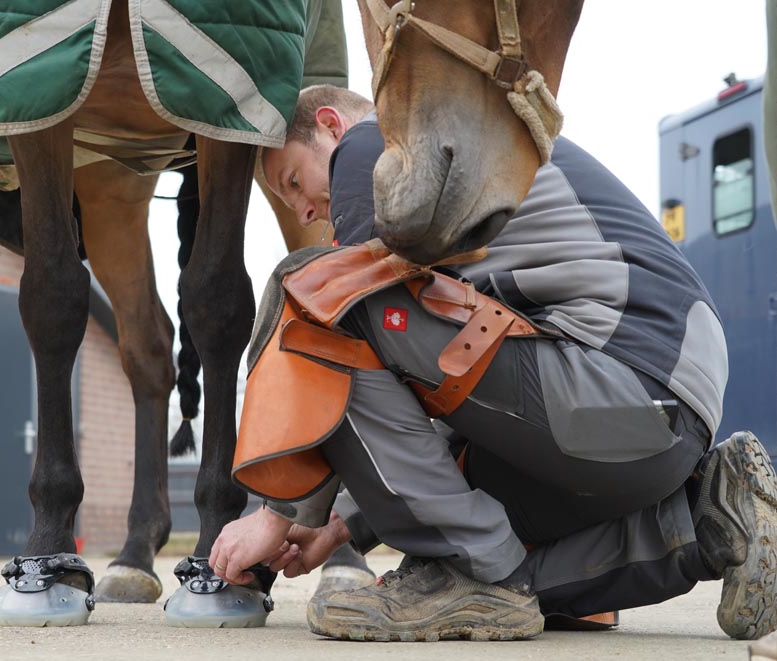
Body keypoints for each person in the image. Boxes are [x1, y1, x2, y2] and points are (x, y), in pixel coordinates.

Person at [210, 85, 777, 643]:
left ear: (331, 126)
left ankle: (467, 569)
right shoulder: (456, 168)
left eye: (292, 182)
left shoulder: (378, 141)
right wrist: (336, 525)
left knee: (310, 287)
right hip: (660, 421)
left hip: (616, 373)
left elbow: (346, 309)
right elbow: (437, 389)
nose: (306, 208)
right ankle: (709, 518)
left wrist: (278, 515)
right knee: (496, 582)